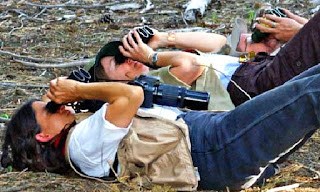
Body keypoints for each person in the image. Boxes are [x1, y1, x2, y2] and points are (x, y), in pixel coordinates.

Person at [2, 58, 320, 190]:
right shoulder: (82, 146)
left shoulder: (82, 132)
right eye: (51, 108)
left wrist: (83, 95)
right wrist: (79, 90)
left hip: (215, 136)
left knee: (311, 79)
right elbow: (129, 97)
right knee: (311, 93)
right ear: (43, 135)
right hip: (215, 148)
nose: (61, 105)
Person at [87, 8, 313, 108]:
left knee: (311, 29)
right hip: (251, 85)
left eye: (123, 54)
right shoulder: (150, 86)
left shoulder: (162, 60)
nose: (128, 60)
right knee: (313, 31)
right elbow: (190, 65)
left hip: (258, 69)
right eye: (118, 63)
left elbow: (220, 44)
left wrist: (163, 38)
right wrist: (152, 56)